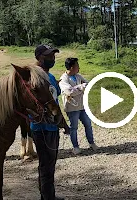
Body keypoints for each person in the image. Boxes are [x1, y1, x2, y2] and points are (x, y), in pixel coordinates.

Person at [32, 44, 64, 200]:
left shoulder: (50, 76)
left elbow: (55, 101)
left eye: (53, 56)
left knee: (50, 164)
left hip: (52, 127)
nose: (52, 59)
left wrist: (62, 123)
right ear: (39, 57)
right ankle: (47, 197)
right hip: (42, 128)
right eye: (48, 56)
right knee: (46, 165)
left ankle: (48, 195)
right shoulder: (35, 77)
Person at [59, 58, 98, 155]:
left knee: (88, 124)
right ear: (72, 67)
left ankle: (91, 143)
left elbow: (88, 84)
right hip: (72, 108)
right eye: (77, 66)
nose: (79, 68)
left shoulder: (78, 76)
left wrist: (79, 88)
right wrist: (81, 87)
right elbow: (69, 92)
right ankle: (75, 147)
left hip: (83, 106)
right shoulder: (63, 79)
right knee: (74, 127)